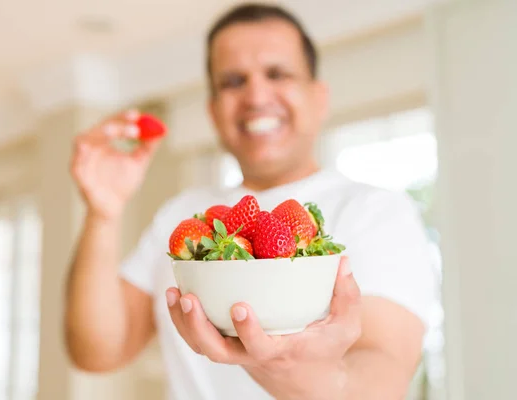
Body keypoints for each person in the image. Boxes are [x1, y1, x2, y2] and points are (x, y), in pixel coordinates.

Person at [66, 3, 438, 399]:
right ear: (213, 111)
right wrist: (102, 213)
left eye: (278, 74)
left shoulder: (376, 212)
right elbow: (96, 352)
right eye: (232, 81)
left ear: (318, 97)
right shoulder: (181, 217)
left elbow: (383, 376)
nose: (256, 94)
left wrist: (291, 371)